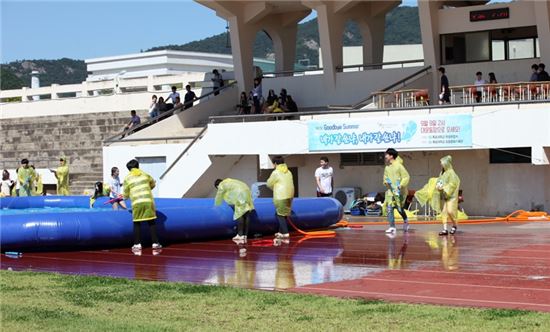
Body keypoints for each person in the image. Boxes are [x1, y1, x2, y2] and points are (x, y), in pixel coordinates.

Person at [123, 159, 161, 253]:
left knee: (137, 222)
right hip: (148, 201)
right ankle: (155, 243)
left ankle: (137, 244)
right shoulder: (145, 175)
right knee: (151, 221)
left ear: (129, 169)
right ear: (138, 166)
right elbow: (152, 184)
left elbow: (125, 194)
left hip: (137, 202)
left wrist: (124, 197)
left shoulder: (127, 178)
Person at [214, 178, 255, 243]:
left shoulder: (222, 184)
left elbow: (219, 195)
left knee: (239, 213)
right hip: (247, 191)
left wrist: (216, 204)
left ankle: (240, 235)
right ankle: (245, 235)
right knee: (246, 213)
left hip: (239, 194)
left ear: (217, 185)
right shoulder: (229, 181)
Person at [266, 156, 294, 240]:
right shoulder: (288, 171)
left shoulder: (276, 172)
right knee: (284, 213)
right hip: (290, 195)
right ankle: (281, 232)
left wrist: (274, 188)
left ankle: (285, 233)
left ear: (275, 163)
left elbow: (269, 183)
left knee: (280, 215)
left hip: (280, 196)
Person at [383, 148, 410, 234]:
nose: (385, 156)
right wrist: (386, 182)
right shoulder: (387, 168)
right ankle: (392, 227)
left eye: (387, 154)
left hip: (399, 192)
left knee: (399, 209)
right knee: (390, 208)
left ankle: (405, 220)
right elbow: (385, 178)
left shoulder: (399, 166)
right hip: (391, 192)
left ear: (391, 156)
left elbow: (406, 177)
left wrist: (400, 185)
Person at [436, 155, 461, 236]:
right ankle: (445, 229)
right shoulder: (442, 173)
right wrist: (438, 186)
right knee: (444, 212)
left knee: (450, 211)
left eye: (442, 163)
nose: (441, 164)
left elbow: (453, 184)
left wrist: (444, 188)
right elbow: (439, 181)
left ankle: (454, 225)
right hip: (444, 195)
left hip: (451, 196)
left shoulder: (451, 173)